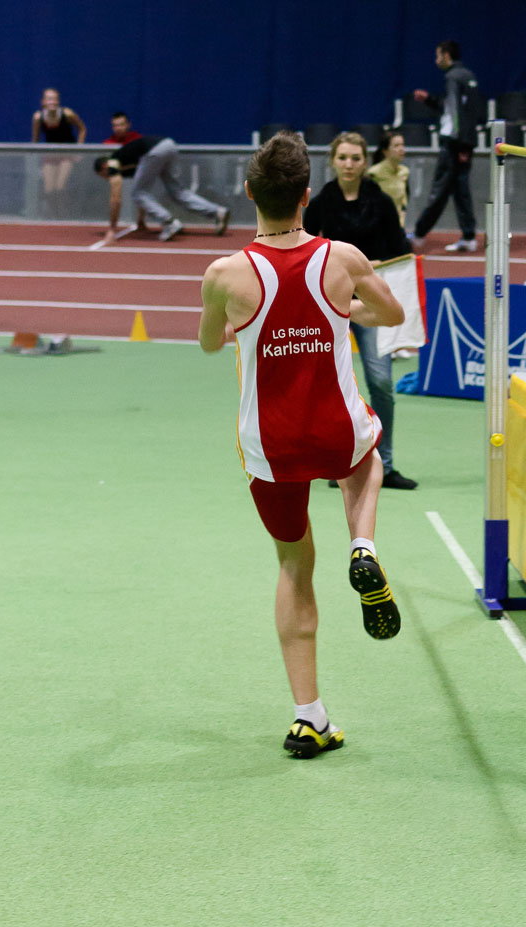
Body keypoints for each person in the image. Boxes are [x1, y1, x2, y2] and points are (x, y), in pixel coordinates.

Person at [199, 132, 404, 759]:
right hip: (337, 428)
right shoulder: (342, 258)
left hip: (272, 447)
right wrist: (347, 316)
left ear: (248, 194)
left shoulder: (225, 273)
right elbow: (392, 315)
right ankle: (364, 545)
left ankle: (308, 716)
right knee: (366, 466)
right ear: (307, 196)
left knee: (294, 565)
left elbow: (211, 343)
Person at [303, 131, 417, 490]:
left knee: (381, 381)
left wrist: (382, 267)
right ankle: (342, 463)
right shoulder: (322, 201)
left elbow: (400, 249)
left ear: (365, 162)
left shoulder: (380, 201)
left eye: (355, 158)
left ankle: (388, 462)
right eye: (343, 158)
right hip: (332, 303)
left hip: (370, 303)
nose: (349, 164)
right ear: (333, 162)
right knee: (332, 386)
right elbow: (303, 245)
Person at [411, 40, 480, 252]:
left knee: (439, 191)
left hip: (454, 146)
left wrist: (460, 146)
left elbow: (455, 114)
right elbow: (463, 111)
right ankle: (469, 237)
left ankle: (419, 235)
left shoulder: (452, 77)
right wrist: (430, 100)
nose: (436, 60)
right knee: (461, 191)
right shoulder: (468, 76)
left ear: (446, 56)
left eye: (438, 55)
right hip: (464, 144)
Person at [94, 136, 230, 243]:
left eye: (103, 175)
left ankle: (168, 222)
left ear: (104, 167)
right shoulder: (127, 164)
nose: (107, 178)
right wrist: (140, 221)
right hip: (168, 145)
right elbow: (142, 192)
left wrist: (112, 228)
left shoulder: (112, 162)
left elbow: (116, 198)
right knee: (177, 191)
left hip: (155, 150)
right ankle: (217, 212)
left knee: (137, 193)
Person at [31, 88, 86, 208]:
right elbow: (35, 140)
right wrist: (34, 157)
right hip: (50, 155)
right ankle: (51, 216)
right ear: (43, 102)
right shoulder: (38, 117)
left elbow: (82, 129)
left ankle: (63, 215)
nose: (52, 102)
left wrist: (79, 150)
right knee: (49, 190)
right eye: (49, 99)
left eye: (55, 99)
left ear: (58, 101)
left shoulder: (67, 114)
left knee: (60, 188)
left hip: (67, 154)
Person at [368, 130, 410, 227]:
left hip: (398, 225)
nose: (401, 149)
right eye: (396, 146)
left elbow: (405, 199)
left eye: (402, 145)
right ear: (385, 151)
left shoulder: (405, 172)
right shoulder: (374, 173)